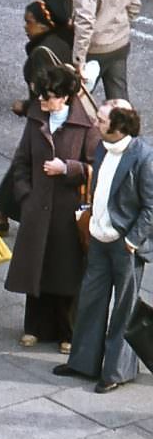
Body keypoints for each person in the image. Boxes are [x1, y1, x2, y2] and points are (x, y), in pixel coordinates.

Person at [54, 103, 153, 393]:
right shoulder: (102, 147)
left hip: (124, 246)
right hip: (99, 239)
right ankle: (83, 362)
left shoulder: (143, 157)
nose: (95, 123)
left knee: (124, 309)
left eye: (101, 120)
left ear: (118, 126)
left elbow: (151, 207)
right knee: (90, 301)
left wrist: (131, 240)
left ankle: (116, 371)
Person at [4, 67, 99, 354]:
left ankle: (66, 331)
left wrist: (68, 168)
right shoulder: (36, 120)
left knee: (65, 272)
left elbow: (96, 168)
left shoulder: (86, 127)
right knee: (37, 270)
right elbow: (21, 160)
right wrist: (25, 195)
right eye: (42, 96)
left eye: (50, 97)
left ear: (67, 98)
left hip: (67, 212)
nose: (43, 102)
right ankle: (34, 327)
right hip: (38, 208)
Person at [0, 0, 77, 235]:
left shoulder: (41, 53)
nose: (25, 27)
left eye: (29, 22)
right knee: (27, 162)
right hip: (63, 115)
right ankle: (2, 214)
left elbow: (46, 93)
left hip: (45, 119)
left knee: (27, 164)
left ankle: (9, 215)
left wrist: (25, 106)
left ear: (44, 25)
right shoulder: (63, 41)